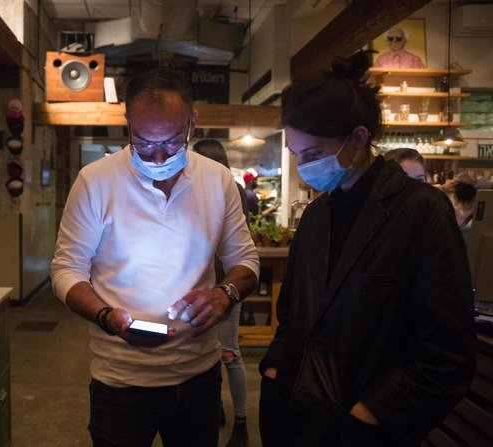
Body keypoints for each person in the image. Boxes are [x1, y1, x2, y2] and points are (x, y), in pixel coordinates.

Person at [259, 52, 475, 447]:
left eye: (313, 154)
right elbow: (292, 315)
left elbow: (447, 349)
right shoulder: (317, 215)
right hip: (295, 414)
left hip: (361, 427)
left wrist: (373, 413)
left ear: (358, 138)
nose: (304, 167)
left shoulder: (421, 211)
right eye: (296, 155)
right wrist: (275, 368)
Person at [50, 67, 260, 447]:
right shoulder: (95, 181)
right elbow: (66, 269)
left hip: (200, 376)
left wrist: (223, 295)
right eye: (144, 142)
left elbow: (246, 263)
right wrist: (105, 316)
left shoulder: (218, 181)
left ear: (193, 123)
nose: (159, 155)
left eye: (172, 142)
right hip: (121, 383)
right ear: (127, 123)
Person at [192, 139, 249, 447]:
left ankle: (241, 423)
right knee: (210, 354)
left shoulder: (230, 188)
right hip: (203, 287)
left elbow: (238, 249)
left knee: (229, 353)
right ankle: (219, 411)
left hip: (225, 286)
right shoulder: (198, 187)